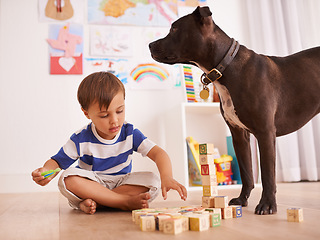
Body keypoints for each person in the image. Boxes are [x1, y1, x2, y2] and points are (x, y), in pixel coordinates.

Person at [32, 71, 187, 214]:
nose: (114, 121)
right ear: (87, 113)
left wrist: (167, 177)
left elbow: (158, 153)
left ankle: (99, 203)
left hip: (121, 183)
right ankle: (122, 202)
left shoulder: (129, 133)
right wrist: (46, 171)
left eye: (119, 111)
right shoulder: (80, 138)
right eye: (104, 115)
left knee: (153, 180)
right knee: (67, 178)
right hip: (93, 183)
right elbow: (57, 162)